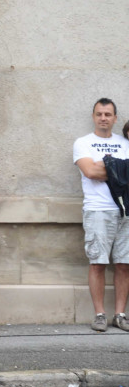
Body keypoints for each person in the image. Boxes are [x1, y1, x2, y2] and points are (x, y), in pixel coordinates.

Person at [73, 98, 129, 333]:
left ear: (115, 118)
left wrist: (106, 166)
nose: (103, 118)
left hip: (125, 211)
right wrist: (121, 170)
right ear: (94, 117)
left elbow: (100, 169)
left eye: (108, 114)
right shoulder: (83, 143)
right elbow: (90, 171)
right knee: (97, 263)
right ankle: (99, 315)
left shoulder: (124, 142)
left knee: (124, 264)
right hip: (97, 210)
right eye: (99, 114)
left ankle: (120, 314)